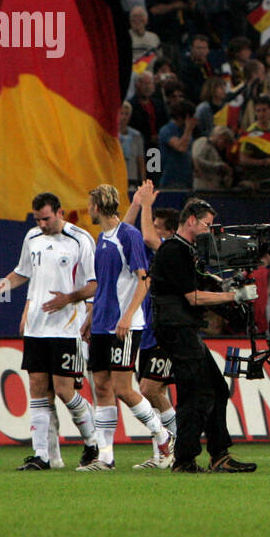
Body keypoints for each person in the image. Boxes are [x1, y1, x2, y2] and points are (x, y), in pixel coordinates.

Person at [0, 192, 100, 470]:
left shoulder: (81, 240)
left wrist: (69, 298)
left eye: (46, 218)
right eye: (37, 219)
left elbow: (95, 284)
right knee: (37, 388)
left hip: (66, 327)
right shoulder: (32, 237)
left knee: (64, 391)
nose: (41, 224)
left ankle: (92, 441)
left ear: (60, 213)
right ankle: (41, 456)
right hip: (37, 328)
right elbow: (23, 272)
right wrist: (2, 286)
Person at [149, 197, 257, 473]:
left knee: (216, 389)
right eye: (208, 225)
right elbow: (194, 297)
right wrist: (232, 295)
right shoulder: (174, 250)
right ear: (192, 221)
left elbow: (202, 282)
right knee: (196, 392)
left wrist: (230, 284)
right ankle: (184, 459)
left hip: (183, 328)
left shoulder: (186, 251)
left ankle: (219, 455)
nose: (210, 230)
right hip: (176, 328)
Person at [78, 184, 174, 471]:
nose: (88, 209)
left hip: (124, 324)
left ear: (97, 207)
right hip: (102, 323)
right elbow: (106, 284)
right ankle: (105, 456)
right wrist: (90, 318)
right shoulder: (105, 237)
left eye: (90, 205)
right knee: (102, 387)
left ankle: (162, 434)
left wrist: (128, 317)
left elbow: (144, 280)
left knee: (123, 388)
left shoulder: (129, 236)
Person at [124, 180, 180, 470]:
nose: (151, 228)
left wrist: (146, 204)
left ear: (169, 232)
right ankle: (162, 454)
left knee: (150, 389)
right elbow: (125, 232)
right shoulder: (148, 251)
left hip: (163, 330)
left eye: (157, 225)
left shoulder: (169, 248)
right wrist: (136, 204)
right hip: (144, 330)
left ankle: (177, 444)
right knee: (154, 393)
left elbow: (146, 237)